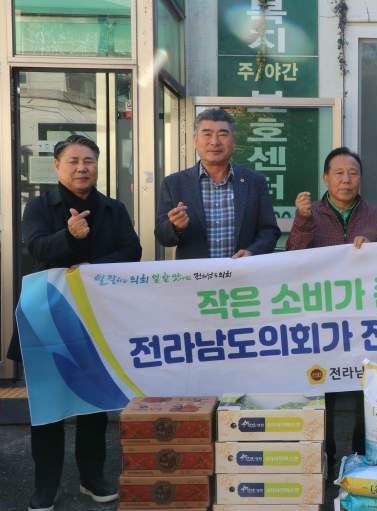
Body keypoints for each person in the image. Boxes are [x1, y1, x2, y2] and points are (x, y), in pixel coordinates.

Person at [10, 135, 142, 511]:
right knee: (47, 407)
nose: (82, 168)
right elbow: (36, 247)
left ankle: (92, 477)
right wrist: (69, 235)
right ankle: (45, 486)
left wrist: (92, 270)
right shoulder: (39, 206)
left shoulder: (113, 209)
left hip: (96, 317)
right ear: (57, 166)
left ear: (97, 166)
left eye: (89, 161)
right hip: (47, 319)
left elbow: (132, 250)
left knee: (94, 404)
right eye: (73, 161)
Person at [286, 146, 377, 478]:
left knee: (365, 390)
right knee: (319, 389)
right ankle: (323, 459)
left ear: (361, 178)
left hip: (364, 319)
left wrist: (374, 252)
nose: (346, 180)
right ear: (326, 178)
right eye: (339, 173)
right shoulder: (310, 213)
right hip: (320, 319)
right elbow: (292, 258)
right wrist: (302, 221)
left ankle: (360, 460)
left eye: (353, 173)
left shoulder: (376, 217)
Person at [155, 108, 280, 259]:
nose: (215, 142)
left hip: (242, 272)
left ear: (233, 140)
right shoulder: (174, 183)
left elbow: (269, 230)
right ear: (195, 140)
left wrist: (252, 252)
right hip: (196, 273)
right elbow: (162, 237)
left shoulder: (255, 181)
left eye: (222, 134)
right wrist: (175, 227)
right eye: (207, 134)